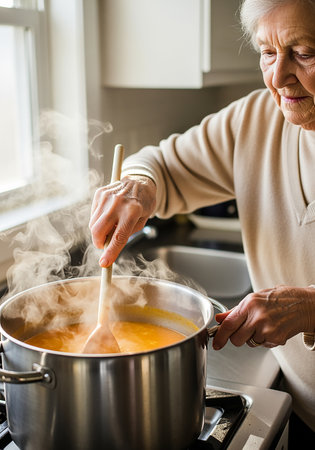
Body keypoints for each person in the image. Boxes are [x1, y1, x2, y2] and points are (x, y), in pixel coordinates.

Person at [89, 0, 315, 443]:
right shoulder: (256, 120)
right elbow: (160, 165)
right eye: (267, 52)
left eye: (304, 52)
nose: (277, 77)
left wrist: (310, 307)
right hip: (304, 408)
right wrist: (138, 186)